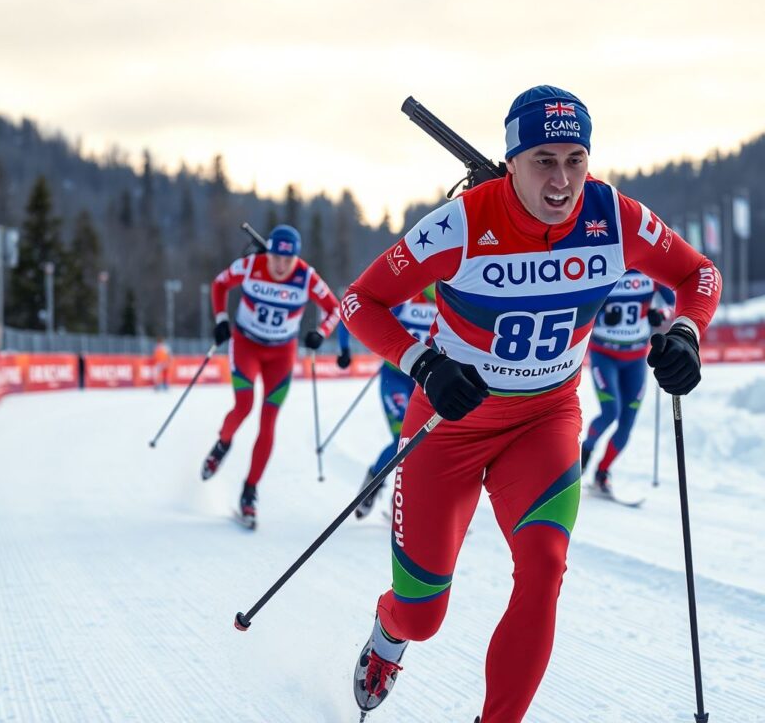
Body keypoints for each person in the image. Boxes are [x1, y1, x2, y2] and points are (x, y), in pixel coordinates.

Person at [340, 85, 721, 722]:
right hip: (451, 424)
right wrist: (425, 364)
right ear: (510, 160)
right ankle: (391, 630)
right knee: (423, 611)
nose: (562, 179)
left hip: (545, 419)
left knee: (544, 570)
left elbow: (698, 274)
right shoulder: (462, 223)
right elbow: (360, 300)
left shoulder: (614, 216)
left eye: (576, 159)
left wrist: (686, 331)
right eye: (543, 159)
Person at [202, 224, 340, 526]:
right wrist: (222, 319)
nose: (281, 265)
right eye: (277, 257)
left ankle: (250, 491)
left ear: (296, 258)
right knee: (244, 406)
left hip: (282, 354)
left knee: (268, 421)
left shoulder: (306, 276)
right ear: (270, 252)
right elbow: (219, 284)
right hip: (247, 345)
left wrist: (320, 333)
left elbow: (335, 309)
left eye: (287, 260)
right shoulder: (252, 265)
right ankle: (223, 443)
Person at [336, 287, 438, 519]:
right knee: (404, 438)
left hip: (424, 381)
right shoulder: (407, 297)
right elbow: (350, 313)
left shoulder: (449, 301)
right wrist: (344, 349)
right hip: (395, 378)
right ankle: (373, 481)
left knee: (428, 442)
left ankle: (403, 500)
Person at [582, 271, 675, 495]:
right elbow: (581, 307)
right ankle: (585, 450)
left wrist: (659, 314)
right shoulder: (606, 268)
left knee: (627, 422)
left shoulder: (652, 272)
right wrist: (602, 316)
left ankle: (602, 473)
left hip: (635, 358)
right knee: (610, 411)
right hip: (605, 355)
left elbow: (674, 302)